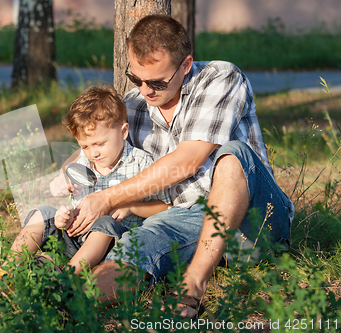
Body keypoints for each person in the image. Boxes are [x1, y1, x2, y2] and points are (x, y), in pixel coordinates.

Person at [50, 14, 294, 317]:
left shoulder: (220, 78)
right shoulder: (135, 106)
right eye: (137, 79)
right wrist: (67, 172)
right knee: (137, 244)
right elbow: (91, 145)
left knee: (232, 155)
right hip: (184, 218)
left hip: (255, 218)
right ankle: (60, 301)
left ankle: (193, 286)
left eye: (157, 82)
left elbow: (188, 161)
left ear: (186, 65)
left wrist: (108, 197)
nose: (146, 90)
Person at [8, 85, 171, 276]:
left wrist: (132, 207)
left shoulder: (141, 163)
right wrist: (64, 217)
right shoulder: (83, 161)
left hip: (108, 244)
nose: (93, 153)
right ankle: (7, 269)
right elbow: (68, 200)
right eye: (84, 146)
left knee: (105, 222)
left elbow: (165, 206)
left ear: (123, 131)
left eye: (100, 144)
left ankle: (67, 275)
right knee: (42, 213)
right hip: (74, 234)